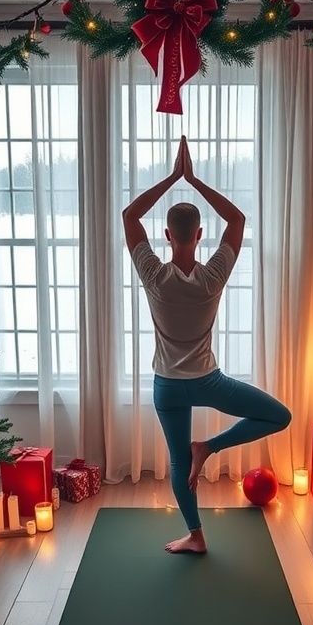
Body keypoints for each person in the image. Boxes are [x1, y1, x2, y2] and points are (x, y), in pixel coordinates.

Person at [122, 136, 291, 554]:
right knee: (279, 416)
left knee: (180, 463)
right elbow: (236, 220)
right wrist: (194, 180)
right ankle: (210, 448)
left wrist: (171, 177)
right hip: (207, 382)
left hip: (167, 384)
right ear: (199, 234)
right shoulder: (212, 276)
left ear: (166, 235)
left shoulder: (153, 275)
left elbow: (129, 215)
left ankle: (195, 536)